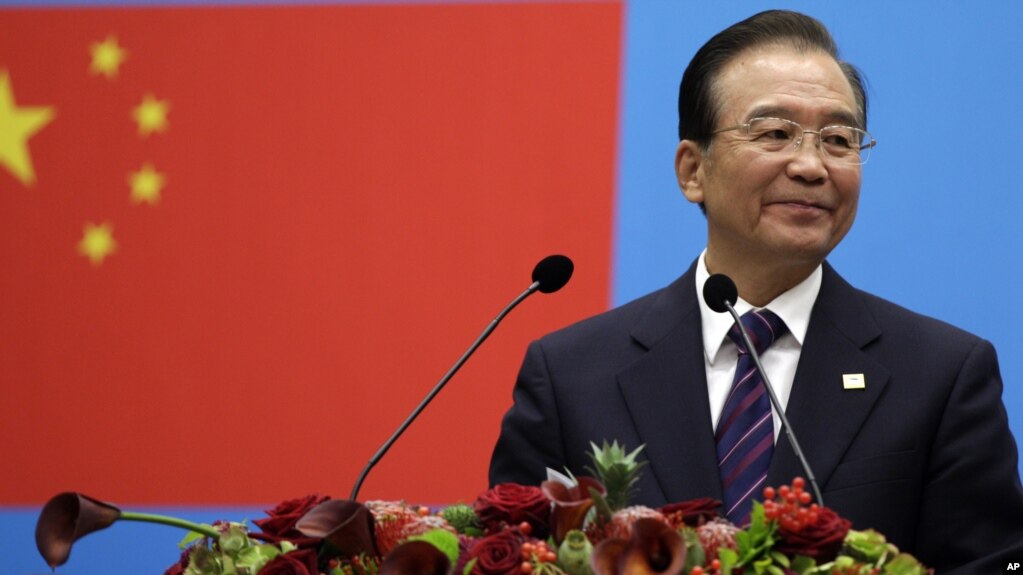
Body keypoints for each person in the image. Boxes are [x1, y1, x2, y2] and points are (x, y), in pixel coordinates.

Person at [488, 9, 1023, 573]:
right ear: (693, 170)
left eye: (838, 139)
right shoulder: (571, 378)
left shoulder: (940, 376)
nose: (811, 166)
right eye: (775, 134)